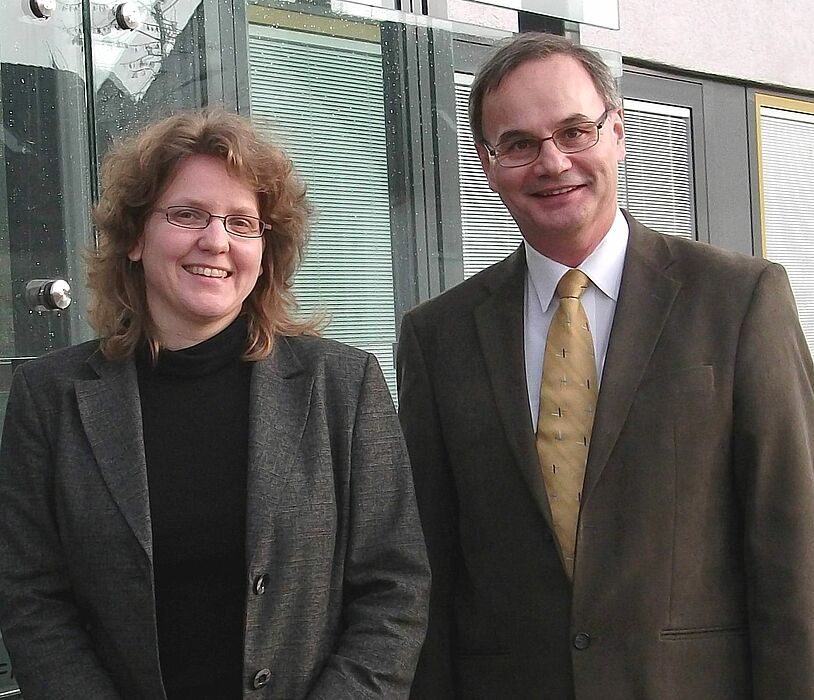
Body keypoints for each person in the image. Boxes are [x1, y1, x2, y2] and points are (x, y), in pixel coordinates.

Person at [397, 32, 814, 699]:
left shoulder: (738, 302)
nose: (552, 163)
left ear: (618, 133)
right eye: (520, 143)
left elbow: (793, 543)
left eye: (574, 131)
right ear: (488, 162)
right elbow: (430, 573)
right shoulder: (437, 339)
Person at [0, 108, 430, 699]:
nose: (216, 240)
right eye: (186, 214)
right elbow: (31, 598)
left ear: (265, 248)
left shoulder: (341, 385)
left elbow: (394, 588)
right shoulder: (50, 398)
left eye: (242, 223)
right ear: (133, 238)